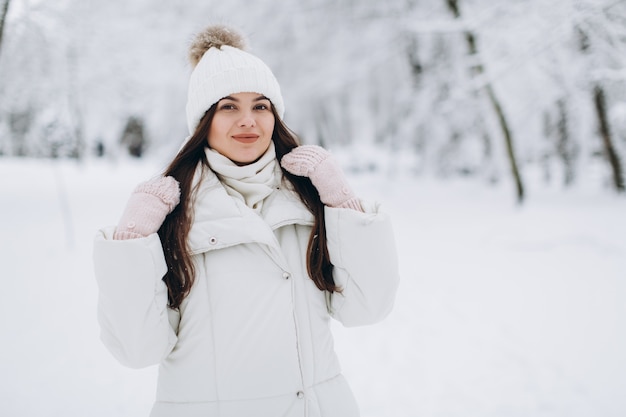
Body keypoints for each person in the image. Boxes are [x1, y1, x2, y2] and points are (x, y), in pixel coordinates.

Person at [93, 24, 400, 417]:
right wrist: (131, 241)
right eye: (228, 107)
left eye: (260, 106)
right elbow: (137, 350)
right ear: (203, 120)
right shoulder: (173, 214)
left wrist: (344, 204)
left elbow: (367, 308)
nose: (248, 121)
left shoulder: (309, 200)